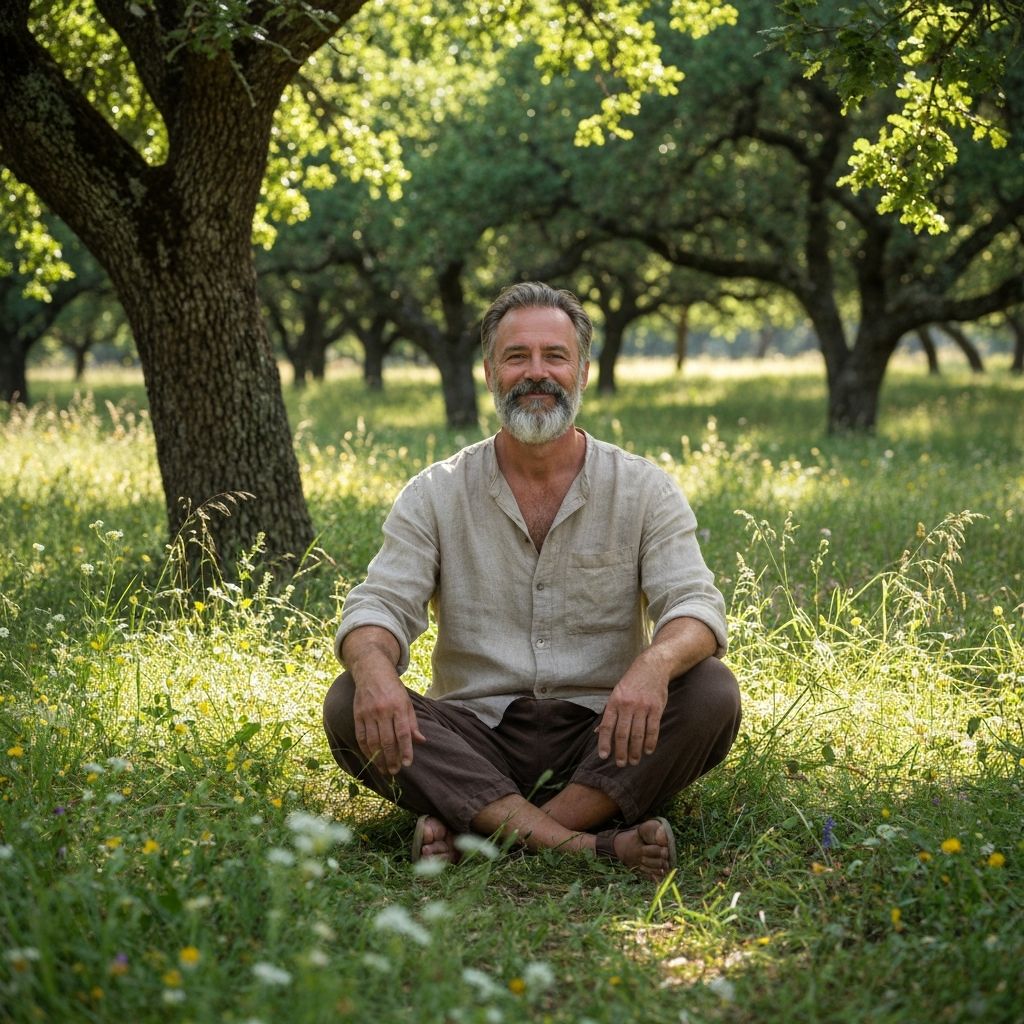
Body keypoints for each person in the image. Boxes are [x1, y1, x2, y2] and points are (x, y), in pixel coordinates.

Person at [323, 282, 740, 881]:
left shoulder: (644, 489)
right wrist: (373, 671)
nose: (536, 373)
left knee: (712, 692)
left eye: (555, 356)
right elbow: (381, 605)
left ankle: (481, 831)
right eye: (517, 356)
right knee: (349, 701)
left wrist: (653, 667)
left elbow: (694, 605)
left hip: (603, 737)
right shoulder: (435, 492)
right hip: (474, 737)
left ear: (583, 371)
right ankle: (587, 845)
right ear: (490, 372)